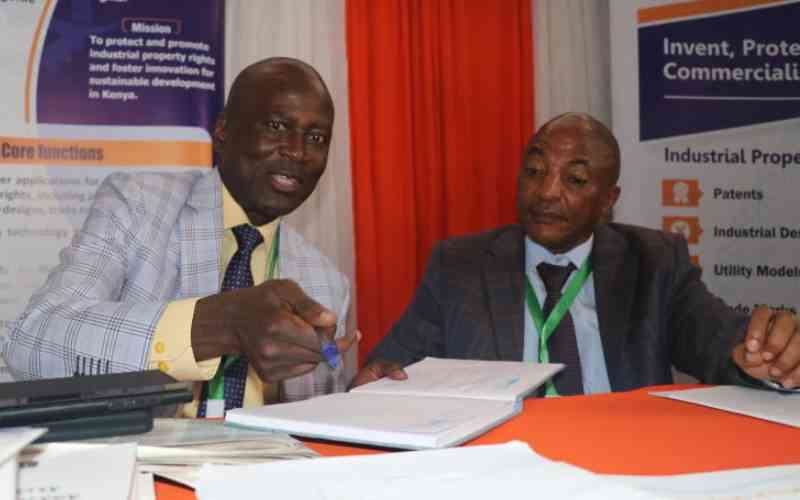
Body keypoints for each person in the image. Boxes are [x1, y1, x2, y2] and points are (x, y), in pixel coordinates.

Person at [3, 57, 357, 415]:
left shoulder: (326, 283)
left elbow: (317, 420)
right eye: (277, 126)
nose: (297, 151)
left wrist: (364, 400)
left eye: (316, 138)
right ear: (223, 130)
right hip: (143, 450)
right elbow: (31, 341)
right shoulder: (139, 204)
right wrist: (219, 325)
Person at [353, 112, 800, 394]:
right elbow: (393, 364)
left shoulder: (655, 261)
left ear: (608, 200)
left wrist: (763, 353)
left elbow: (715, 338)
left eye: (576, 180)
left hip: (624, 463)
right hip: (499, 468)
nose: (547, 192)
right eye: (534, 171)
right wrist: (377, 381)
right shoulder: (460, 266)